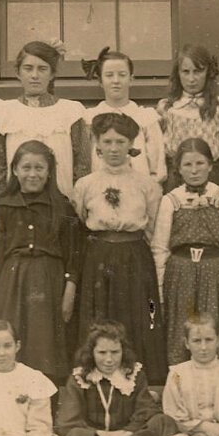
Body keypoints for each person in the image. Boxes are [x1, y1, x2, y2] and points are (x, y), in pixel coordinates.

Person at [71, 111, 168, 384]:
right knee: (99, 319)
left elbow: (152, 227)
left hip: (135, 257)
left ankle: (142, 385)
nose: (114, 149)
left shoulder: (147, 185)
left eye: (120, 142)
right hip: (98, 259)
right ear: (97, 145)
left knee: (142, 316)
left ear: (131, 145)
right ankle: (94, 382)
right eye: (108, 142)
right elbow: (82, 220)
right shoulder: (86, 185)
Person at [153, 138, 219, 372]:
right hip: (181, 275)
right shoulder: (171, 201)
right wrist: (160, 291)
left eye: (200, 163)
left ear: (210, 165)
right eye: (188, 165)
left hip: (215, 273)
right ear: (178, 168)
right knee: (183, 330)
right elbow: (160, 247)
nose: (194, 170)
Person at [0, 139, 81, 382]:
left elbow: (74, 253)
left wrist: (70, 289)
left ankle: (46, 407)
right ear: (15, 170)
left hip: (49, 279)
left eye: (39, 168)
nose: (33, 174)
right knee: (12, 337)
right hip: (13, 279)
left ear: (49, 172)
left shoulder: (62, 207)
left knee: (46, 345)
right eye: (26, 167)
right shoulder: (1, 206)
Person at [56, 320, 175, 436]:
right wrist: (99, 433)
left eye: (115, 352)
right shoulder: (80, 378)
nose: (109, 359)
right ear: (91, 353)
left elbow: (146, 409)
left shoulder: (133, 374)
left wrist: (126, 432)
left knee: (164, 422)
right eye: (102, 353)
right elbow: (68, 420)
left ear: (123, 351)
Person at [0, 40, 88, 196]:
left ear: (52, 74)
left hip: (61, 202)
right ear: (18, 72)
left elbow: (82, 165)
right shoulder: (4, 112)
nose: (34, 75)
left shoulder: (70, 112)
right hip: (17, 204)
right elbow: (0, 165)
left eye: (42, 69)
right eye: (28, 68)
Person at [156, 44, 219, 191]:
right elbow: (159, 151)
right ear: (178, 74)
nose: (191, 79)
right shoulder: (166, 108)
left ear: (208, 72)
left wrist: (218, 176)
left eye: (198, 71)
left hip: (213, 181)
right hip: (176, 181)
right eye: (185, 72)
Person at [81, 47, 166, 183]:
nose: (116, 80)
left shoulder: (145, 118)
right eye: (109, 75)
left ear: (131, 79)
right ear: (100, 82)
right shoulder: (89, 118)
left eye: (122, 75)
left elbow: (158, 166)